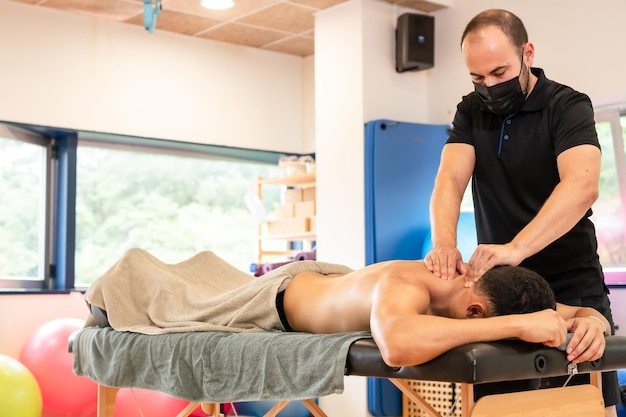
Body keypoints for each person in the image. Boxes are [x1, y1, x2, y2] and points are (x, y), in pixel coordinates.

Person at [424, 9, 618, 415]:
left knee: (581, 401)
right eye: (478, 79)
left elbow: (581, 186)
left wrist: (517, 247)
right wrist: (444, 245)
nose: (490, 87)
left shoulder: (567, 106)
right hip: (505, 292)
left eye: (499, 72)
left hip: (570, 282)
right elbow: (450, 180)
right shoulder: (470, 110)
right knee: (504, 404)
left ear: (527, 53)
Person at [85, 249, 609, 368]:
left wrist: (593, 322)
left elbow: (577, 311)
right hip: (278, 298)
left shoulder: (483, 282)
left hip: (332, 276)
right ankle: (112, 288)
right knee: (169, 289)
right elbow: (399, 344)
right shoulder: (409, 290)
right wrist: (518, 324)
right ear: (476, 310)